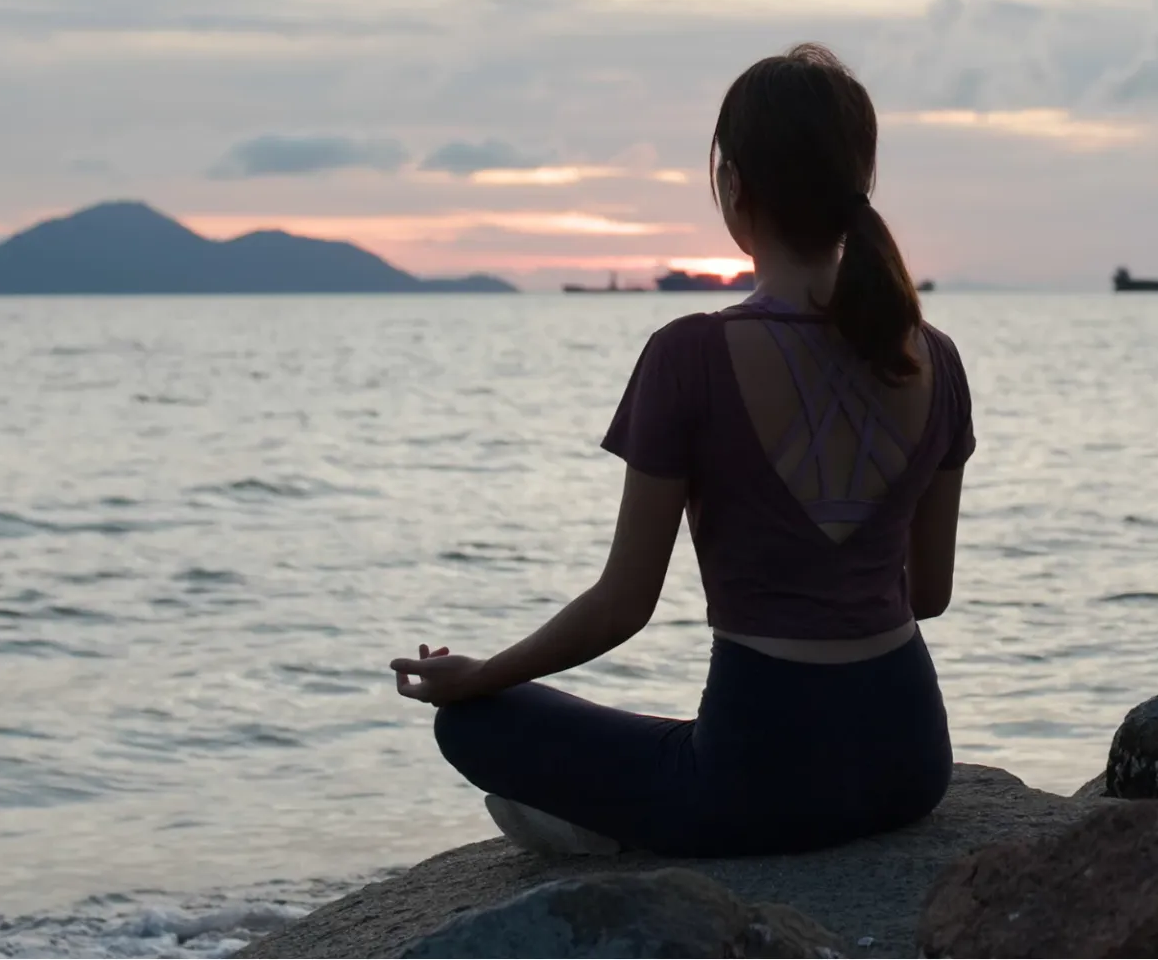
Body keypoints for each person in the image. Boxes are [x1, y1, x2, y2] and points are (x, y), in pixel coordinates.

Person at [391, 42, 974, 858]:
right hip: (911, 765)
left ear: (734, 189)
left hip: (753, 786)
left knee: (477, 726)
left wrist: (480, 676)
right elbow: (930, 595)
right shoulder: (936, 358)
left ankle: (627, 835)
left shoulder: (689, 356)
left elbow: (624, 603)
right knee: (663, 743)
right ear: (860, 184)